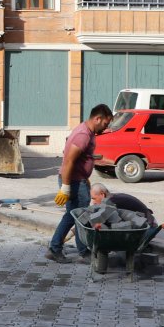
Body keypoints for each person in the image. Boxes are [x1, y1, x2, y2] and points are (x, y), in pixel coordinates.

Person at [46, 104, 113, 264]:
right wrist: (66, 187)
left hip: (78, 180)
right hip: (74, 181)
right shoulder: (83, 135)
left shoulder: (85, 130)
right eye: (105, 124)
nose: (105, 128)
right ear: (98, 118)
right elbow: (69, 160)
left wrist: (85, 173)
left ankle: (56, 249)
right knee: (80, 217)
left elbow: (77, 158)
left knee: (73, 216)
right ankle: (80, 252)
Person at [90, 183, 159, 240]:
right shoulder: (113, 198)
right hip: (147, 225)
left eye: (94, 198)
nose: (93, 202)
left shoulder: (113, 202)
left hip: (148, 228)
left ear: (102, 194)